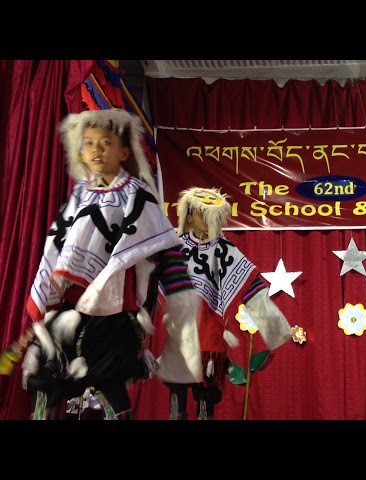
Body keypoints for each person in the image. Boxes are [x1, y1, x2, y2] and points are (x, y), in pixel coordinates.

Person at [17, 108, 202, 420]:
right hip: (70, 307)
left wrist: (179, 294)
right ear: (80, 152)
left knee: (108, 382)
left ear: (124, 151)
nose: (96, 150)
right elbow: (56, 246)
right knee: (50, 382)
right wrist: (47, 296)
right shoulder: (79, 196)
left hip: (113, 309)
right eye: (89, 143)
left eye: (105, 143)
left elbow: (163, 246)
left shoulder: (138, 195)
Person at [156, 186, 293, 420]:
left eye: (213, 215)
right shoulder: (174, 246)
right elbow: (153, 278)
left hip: (211, 334)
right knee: (177, 394)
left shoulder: (224, 249)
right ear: (189, 215)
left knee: (205, 395)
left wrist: (274, 325)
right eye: (202, 213)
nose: (207, 219)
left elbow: (250, 284)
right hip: (181, 330)